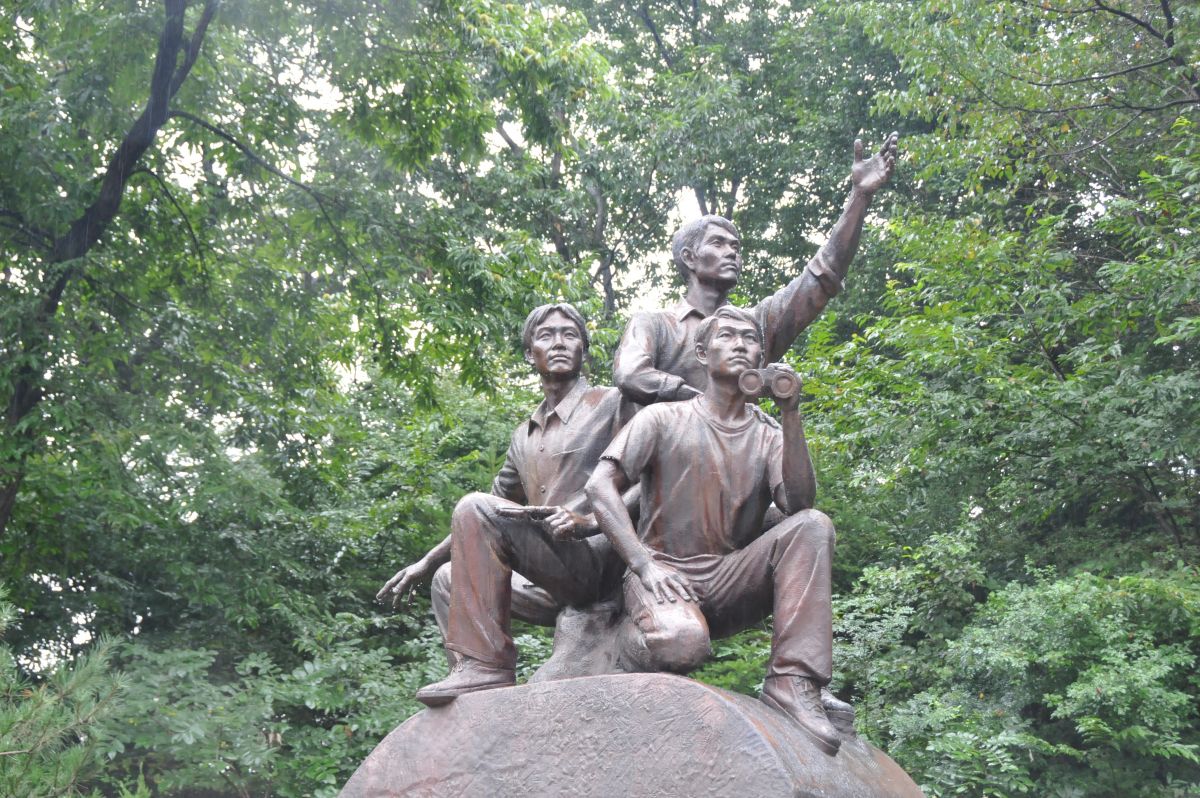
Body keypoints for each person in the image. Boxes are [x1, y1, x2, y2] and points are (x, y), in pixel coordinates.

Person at [586, 305, 843, 755]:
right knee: (681, 645)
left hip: (729, 578)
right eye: (727, 336)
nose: (741, 344)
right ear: (702, 354)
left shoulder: (768, 433)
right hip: (664, 574)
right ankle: (620, 645)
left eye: (750, 338)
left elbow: (798, 504)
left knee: (813, 526)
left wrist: (790, 415)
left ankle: (792, 681)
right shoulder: (663, 418)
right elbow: (599, 486)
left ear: (761, 357)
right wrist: (643, 565)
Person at [378, 303, 638, 706]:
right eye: (546, 335)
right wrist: (425, 563)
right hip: (551, 576)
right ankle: (476, 686)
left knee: (474, 506)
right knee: (448, 579)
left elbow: (655, 477)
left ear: (584, 350)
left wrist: (590, 520)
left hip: (596, 563)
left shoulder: (615, 403)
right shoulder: (523, 435)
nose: (559, 343)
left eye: (569, 334)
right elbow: (488, 513)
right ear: (529, 354)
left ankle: (488, 667)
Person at [613, 132, 899, 404]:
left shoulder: (754, 326)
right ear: (689, 258)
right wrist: (702, 406)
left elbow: (824, 273)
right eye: (718, 243)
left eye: (736, 247)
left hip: (741, 439)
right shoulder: (655, 324)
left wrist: (860, 197)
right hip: (665, 438)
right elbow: (630, 374)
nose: (731, 253)